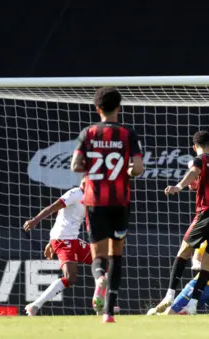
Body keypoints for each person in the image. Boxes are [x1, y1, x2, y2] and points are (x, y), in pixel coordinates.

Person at [70, 87, 144, 323]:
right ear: (119, 108)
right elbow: (138, 169)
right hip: (120, 202)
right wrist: (127, 170)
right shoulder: (127, 133)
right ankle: (109, 313)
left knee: (98, 255)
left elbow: (75, 165)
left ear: (97, 108)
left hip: (95, 201)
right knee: (117, 255)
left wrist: (92, 168)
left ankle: (99, 277)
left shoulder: (88, 133)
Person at [155, 131, 209, 315]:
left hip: (207, 213)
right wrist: (198, 183)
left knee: (183, 251)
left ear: (194, 147)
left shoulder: (200, 160)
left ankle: (169, 294)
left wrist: (179, 186)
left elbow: (194, 170)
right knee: (207, 263)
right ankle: (193, 304)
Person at [22, 179, 91, 316]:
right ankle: (35, 306)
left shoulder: (91, 197)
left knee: (103, 261)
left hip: (73, 239)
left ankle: (105, 304)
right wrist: (35, 220)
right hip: (63, 240)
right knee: (70, 277)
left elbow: (64, 220)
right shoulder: (75, 193)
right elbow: (52, 208)